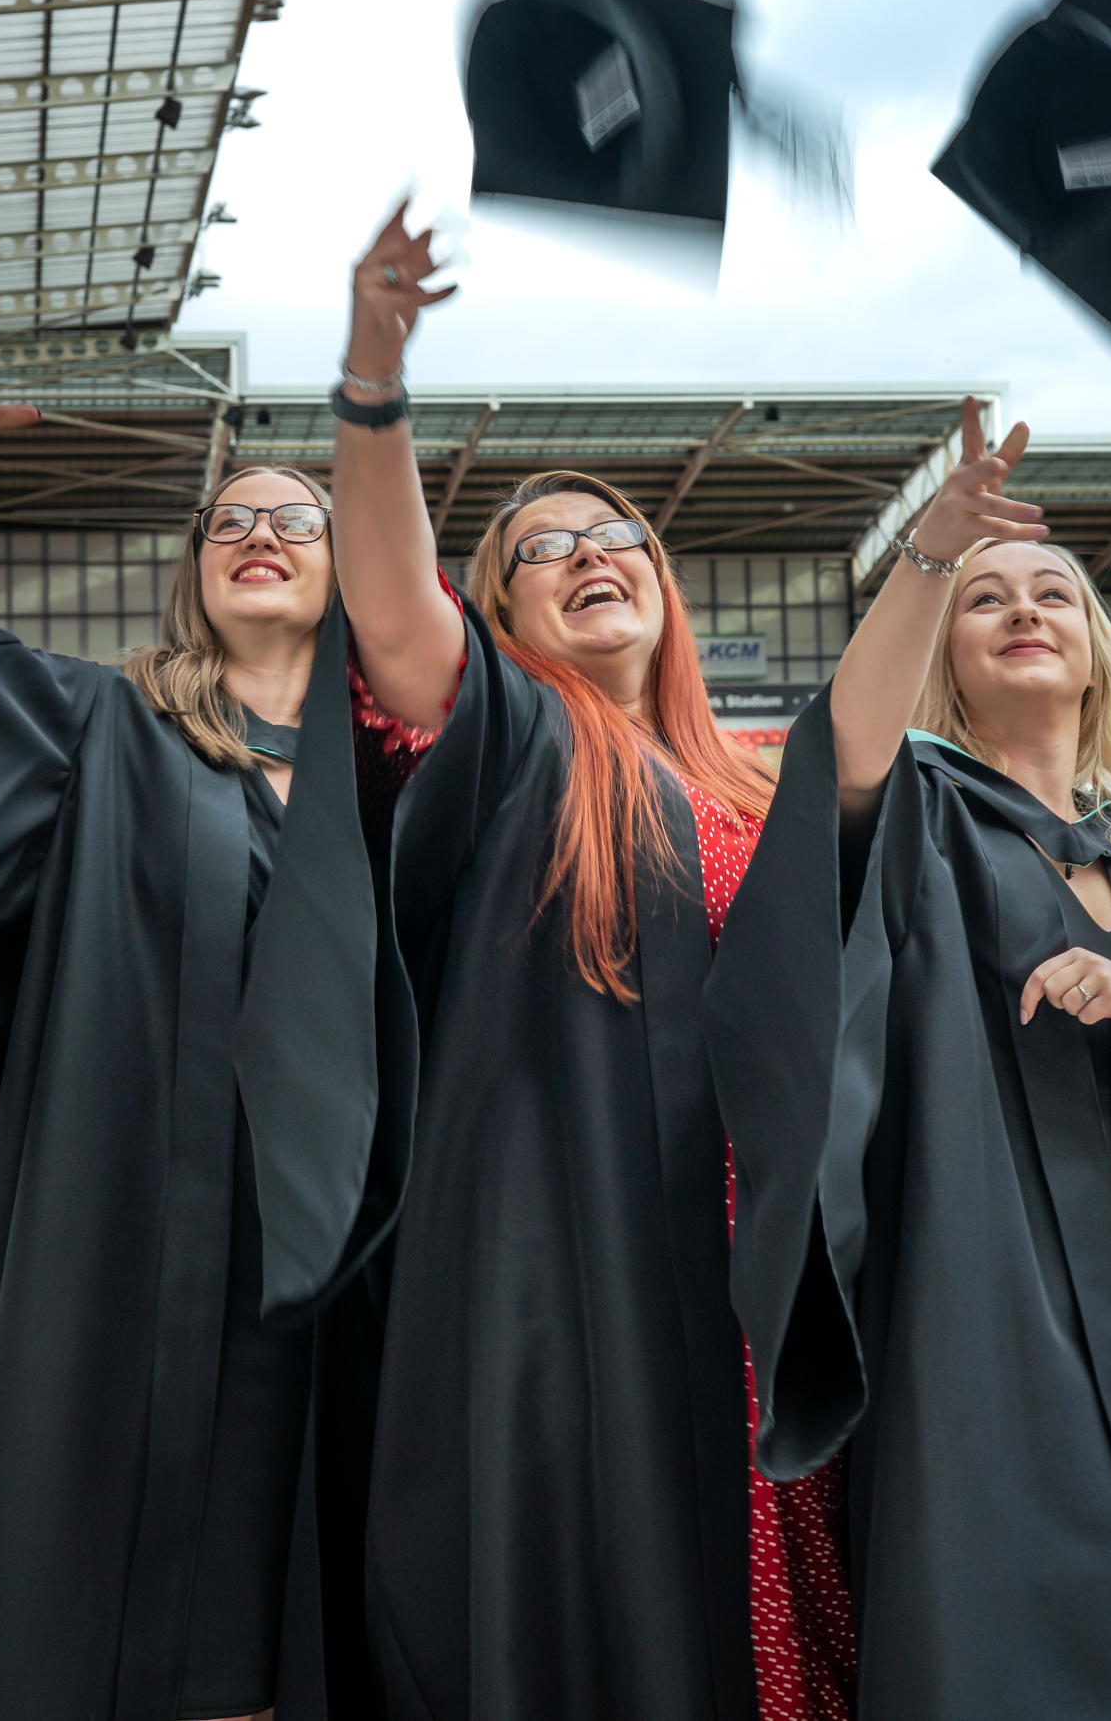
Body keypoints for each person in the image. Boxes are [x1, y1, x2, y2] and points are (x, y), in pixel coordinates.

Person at [0, 304, 421, 1721]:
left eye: (296, 520)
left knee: (300, 1566)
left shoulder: (402, 767)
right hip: (121, 1222)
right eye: (230, 520)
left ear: (345, 563)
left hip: (342, 1231)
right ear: (194, 572)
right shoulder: (101, 725)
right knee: (91, 1553)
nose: (261, 535)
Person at [323, 205, 861, 1721]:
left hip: (767, 1275)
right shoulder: (509, 742)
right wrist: (374, 371)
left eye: (616, 535)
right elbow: (383, 600)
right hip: (585, 1269)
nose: (589, 554)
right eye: (541, 550)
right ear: (500, 613)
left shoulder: (758, 785)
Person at [706, 398, 1111, 1721]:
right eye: (989, 602)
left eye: (1053, 596)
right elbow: (842, 765)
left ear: (1095, 656)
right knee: (1008, 1618)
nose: (1024, 610)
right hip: (990, 1292)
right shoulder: (921, 819)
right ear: (950, 660)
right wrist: (932, 549)